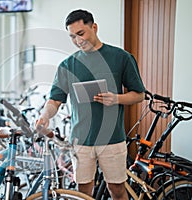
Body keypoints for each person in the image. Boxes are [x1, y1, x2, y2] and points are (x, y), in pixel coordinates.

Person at [35, 9, 145, 200]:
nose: (78, 41)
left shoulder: (121, 58)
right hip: (81, 141)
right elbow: (55, 100)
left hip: (112, 140)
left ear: (94, 27)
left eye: (81, 33)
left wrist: (117, 98)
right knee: (83, 193)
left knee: (117, 190)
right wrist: (45, 116)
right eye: (72, 37)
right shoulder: (67, 65)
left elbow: (139, 95)